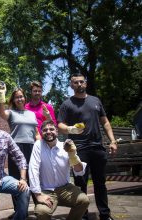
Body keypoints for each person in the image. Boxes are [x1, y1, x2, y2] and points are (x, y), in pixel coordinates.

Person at [57, 73, 117, 220]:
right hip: (78, 150)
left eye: (81, 82)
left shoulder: (95, 101)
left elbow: (106, 122)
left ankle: (105, 214)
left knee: (100, 183)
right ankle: (82, 215)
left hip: (97, 148)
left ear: (86, 84)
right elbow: (60, 125)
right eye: (75, 82)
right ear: (71, 85)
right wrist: (71, 129)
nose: (79, 84)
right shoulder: (67, 104)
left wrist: (113, 141)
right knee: (80, 183)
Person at [29, 120, 89, 220]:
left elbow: (79, 171)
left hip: (65, 188)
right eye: (45, 130)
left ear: (57, 131)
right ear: (41, 133)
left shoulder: (65, 146)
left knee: (84, 200)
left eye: (51, 129)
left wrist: (73, 156)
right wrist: (38, 195)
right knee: (41, 212)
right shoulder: (38, 145)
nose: (48, 131)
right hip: (46, 190)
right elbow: (33, 169)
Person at [0, 84, 40, 217]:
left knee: (33, 177)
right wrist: (1, 93)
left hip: (32, 148)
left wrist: (40, 143)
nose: (19, 99)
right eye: (16, 97)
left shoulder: (31, 114)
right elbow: (1, 112)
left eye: (21, 96)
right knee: (17, 181)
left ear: (25, 98)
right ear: (13, 100)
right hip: (16, 148)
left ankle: (39, 208)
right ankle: (20, 211)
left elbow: (36, 133)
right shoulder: (11, 113)